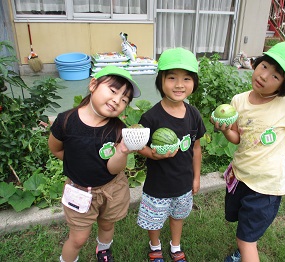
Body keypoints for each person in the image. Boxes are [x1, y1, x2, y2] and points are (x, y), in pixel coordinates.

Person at [212, 42, 285, 262]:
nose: (265, 76)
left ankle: (245, 249)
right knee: (245, 228)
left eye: (276, 76)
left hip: (266, 188)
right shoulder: (239, 100)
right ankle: (246, 246)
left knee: (245, 241)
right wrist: (227, 129)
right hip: (240, 178)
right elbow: (237, 138)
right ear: (256, 63)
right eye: (264, 66)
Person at [48, 66, 141, 262]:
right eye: (113, 91)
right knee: (78, 238)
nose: (117, 100)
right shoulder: (66, 121)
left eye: (124, 100)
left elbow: (113, 168)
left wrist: (123, 151)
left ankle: (104, 250)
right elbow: (56, 149)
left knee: (107, 224)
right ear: (93, 85)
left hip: (112, 188)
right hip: (79, 191)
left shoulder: (118, 130)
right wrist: (77, 163)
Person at [136, 48, 206, 262]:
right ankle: (154, 245)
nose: (179, 84)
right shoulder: (151, 117)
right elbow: (139, 145)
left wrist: (196, 177)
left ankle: (175, 246)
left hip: (183, 183)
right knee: (155, 220)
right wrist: (152, 155)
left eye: (186, 78)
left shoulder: (193, 114)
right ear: (161, 81)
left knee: (178, 217)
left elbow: (196, 148)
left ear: (193, 82)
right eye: (172, 77)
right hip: (158, 184)